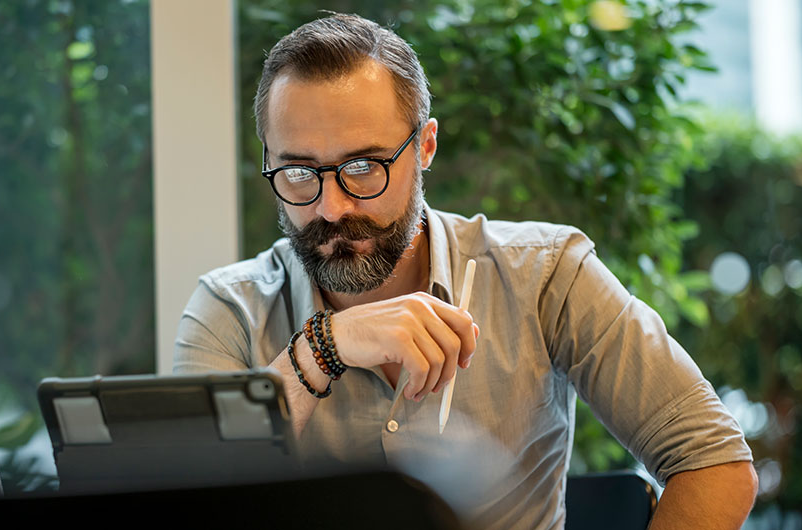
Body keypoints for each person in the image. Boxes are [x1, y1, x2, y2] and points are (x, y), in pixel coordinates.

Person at [173, 13, 757, 529]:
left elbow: (715, 463)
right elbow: (187, 501)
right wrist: (322, 348)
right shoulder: (230, 309)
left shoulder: (547, 276)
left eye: (364, 166)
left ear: (424, 146)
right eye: (299, 172)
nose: (332, 207)